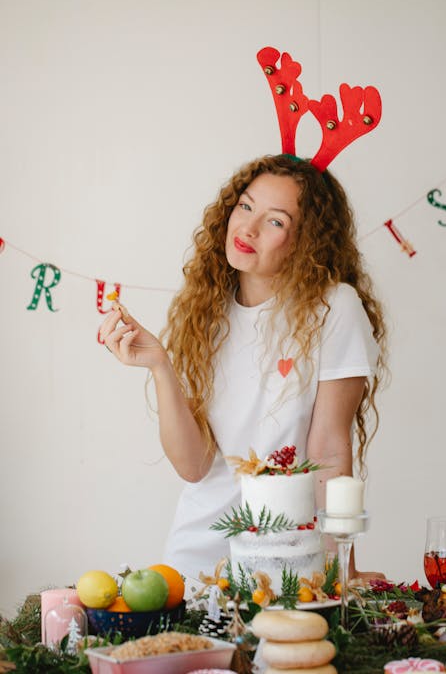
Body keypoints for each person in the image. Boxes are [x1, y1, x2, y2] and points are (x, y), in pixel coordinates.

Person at [99, 153, 386, 581]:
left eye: (275, 221)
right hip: (196, 562)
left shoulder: (334, 308)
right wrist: (160, 366)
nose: (248, 229)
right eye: (245, 206)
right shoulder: (206, 311)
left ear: (305, 239)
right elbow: (194, 468)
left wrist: (338, 568)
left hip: (289, 565)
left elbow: (328, 449)